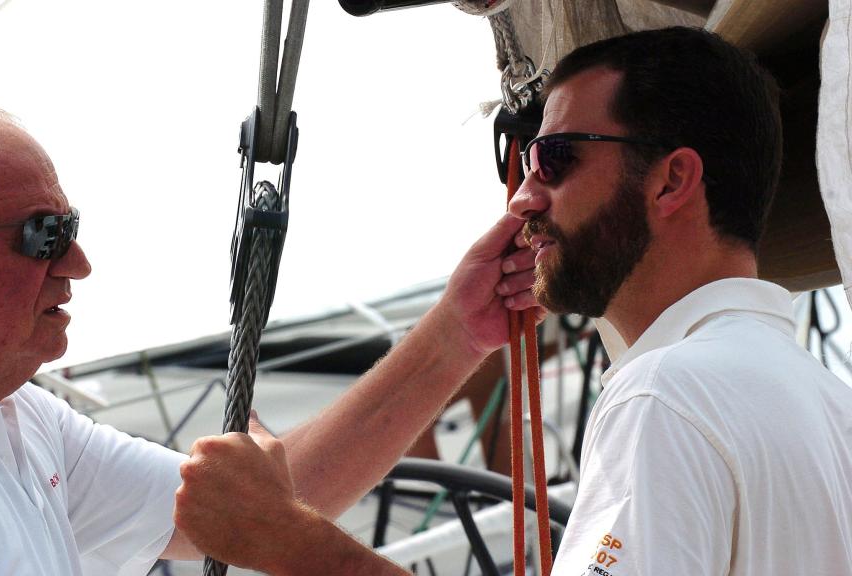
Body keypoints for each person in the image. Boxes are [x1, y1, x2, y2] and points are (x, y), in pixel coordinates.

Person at [172, 27, 852, 575]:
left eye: (555, 158)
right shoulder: (829, 406)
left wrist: (291, 542)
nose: (525, 196)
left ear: (672, 179)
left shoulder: (666, 394)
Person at [0, 97, 541, 574]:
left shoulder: (9, 416)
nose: (77, 263)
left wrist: (457, 334)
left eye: (70, 230)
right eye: (44, 235)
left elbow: (247, 511)